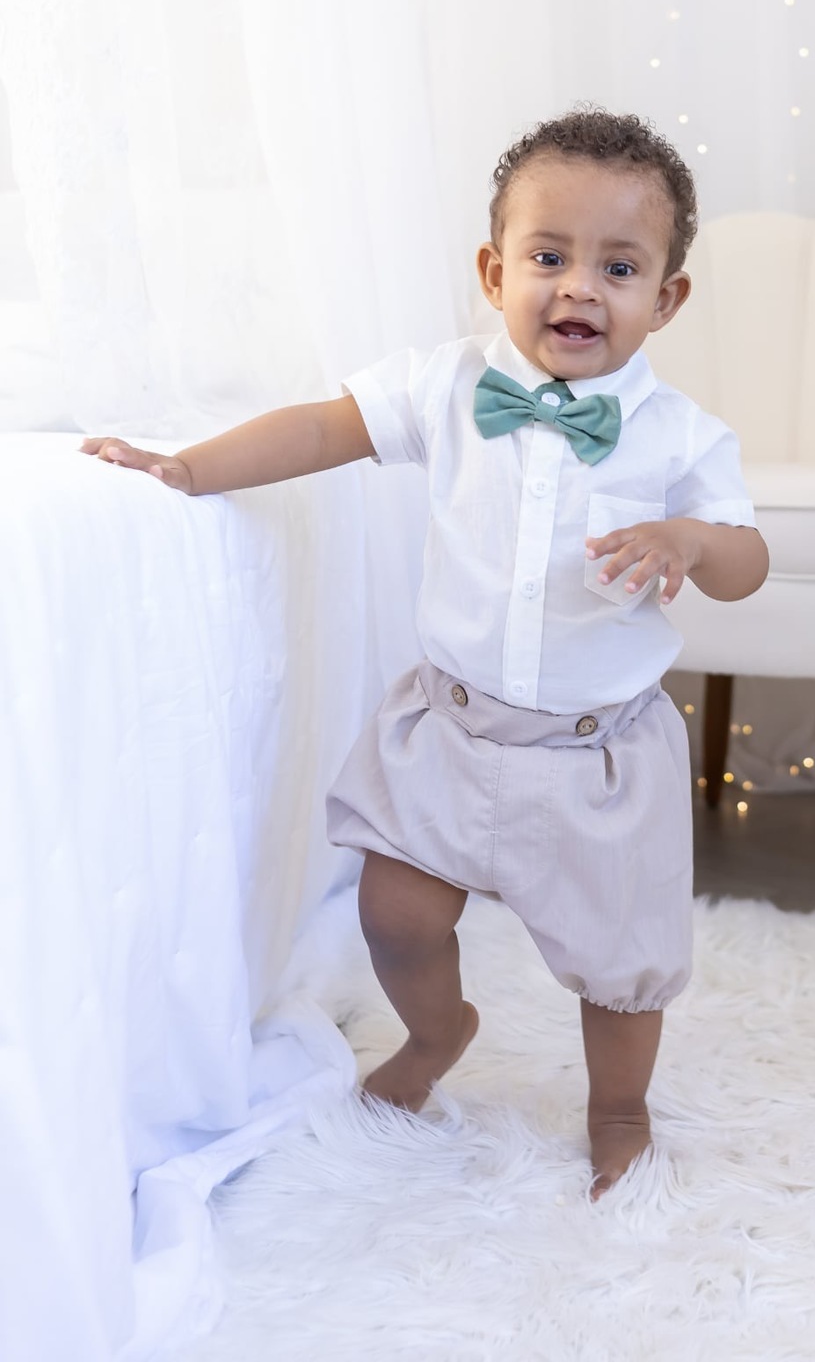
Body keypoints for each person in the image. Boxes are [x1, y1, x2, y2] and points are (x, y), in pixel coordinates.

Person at [82, 108, 769, 1194]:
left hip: (596, 758)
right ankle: (436, 1033)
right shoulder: (450, 385)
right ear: (496, 271)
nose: (579, 287)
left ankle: (620, 1111)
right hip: (449, 727)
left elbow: (748, 560)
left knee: (621, 973)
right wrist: (189, 468)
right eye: (549, 257)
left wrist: (689, 539)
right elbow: (320, 427)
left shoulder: (679, 435)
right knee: (394, 916)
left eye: (619, 266)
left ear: (666, 298)